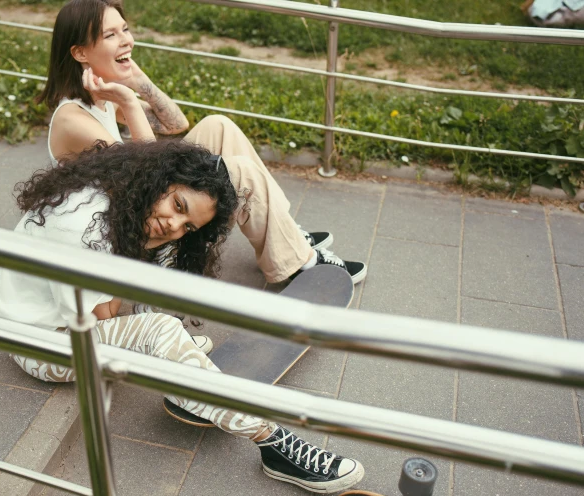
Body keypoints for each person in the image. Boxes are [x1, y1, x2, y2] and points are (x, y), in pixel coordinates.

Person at [0, 140, 365, 493]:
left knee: (165, 258)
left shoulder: (119, 196)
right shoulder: (83, 231)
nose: (173, 223)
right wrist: (138, 252)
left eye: (188, 225)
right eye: (178, 206)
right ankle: (272, 443)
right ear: (159, 179)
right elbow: (103, 317)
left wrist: (152, 245)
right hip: (40, 344)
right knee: (159, 327)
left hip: (60, 318)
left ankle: (181, 368)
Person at [36, 0, 367, 286]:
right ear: (80, 52)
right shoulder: (73, 119)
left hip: (142, 202)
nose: (127, 41)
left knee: (217, 127)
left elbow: (177, 125)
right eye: (111, 35)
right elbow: (150, 175)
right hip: (123, 231)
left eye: (125, 29)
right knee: (238, 173)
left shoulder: (103, 97)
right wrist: (131, 103)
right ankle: (296, 264)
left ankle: (286, 232)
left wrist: (139, 83)